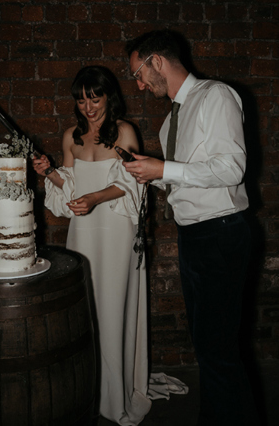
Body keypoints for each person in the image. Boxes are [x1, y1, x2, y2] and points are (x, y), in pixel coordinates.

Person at [123, 30, 258, 425]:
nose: (140, 84)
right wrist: (153, 174)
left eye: (139, 73)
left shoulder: (215, 96)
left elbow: (232, 168)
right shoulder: (170, 122)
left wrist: (164, 168)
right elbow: (193, 177)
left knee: (219, 351)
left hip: (221, 234)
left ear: (157, 62)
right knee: (207, 347)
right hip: (193, 237)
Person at [34, 65, 171, 425]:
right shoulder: (70, 137)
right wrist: (49, 172)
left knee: (113, 306)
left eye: (94, 98)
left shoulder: (124, 131)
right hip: (83, 231)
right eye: (81, 99)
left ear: (109, 96)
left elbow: (131, 183)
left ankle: (116, 394)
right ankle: (90, 391)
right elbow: (69, 188)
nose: (88, 106)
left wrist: (95, 197)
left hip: (116, 228)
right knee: (87, 309)